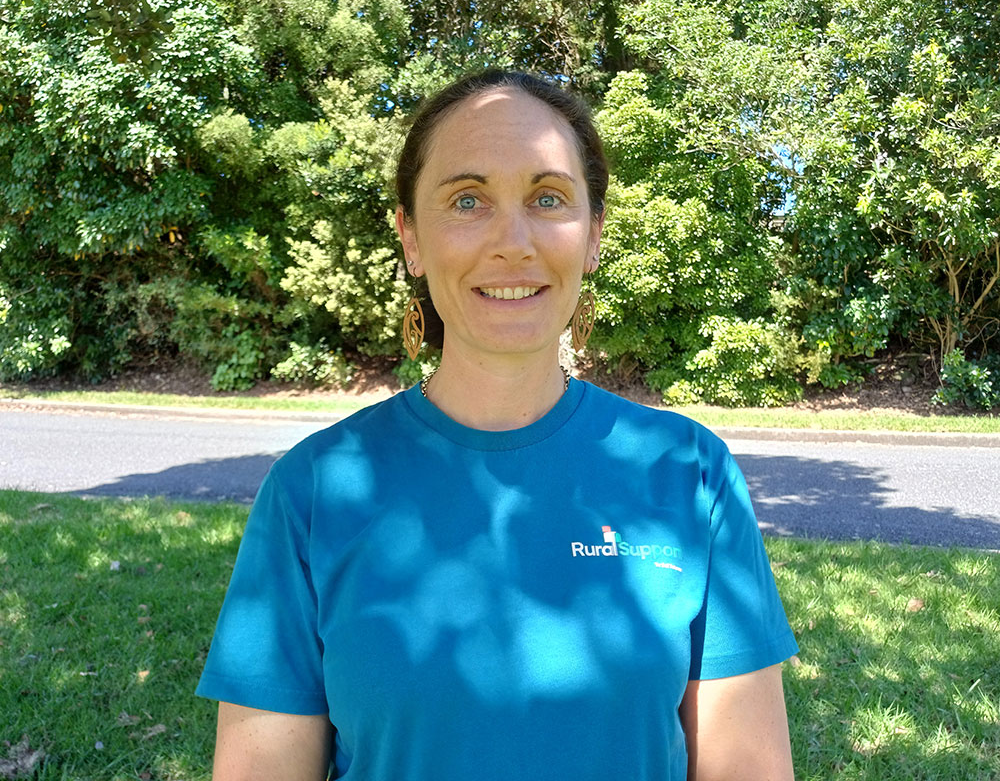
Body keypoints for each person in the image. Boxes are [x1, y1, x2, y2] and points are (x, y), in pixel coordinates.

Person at [196, 70, 798, 780]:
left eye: (548, 198)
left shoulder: (689, 474)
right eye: (467, 200)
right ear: (410, 238)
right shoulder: (315, 490)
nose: (513, 242)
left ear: (593, 235)